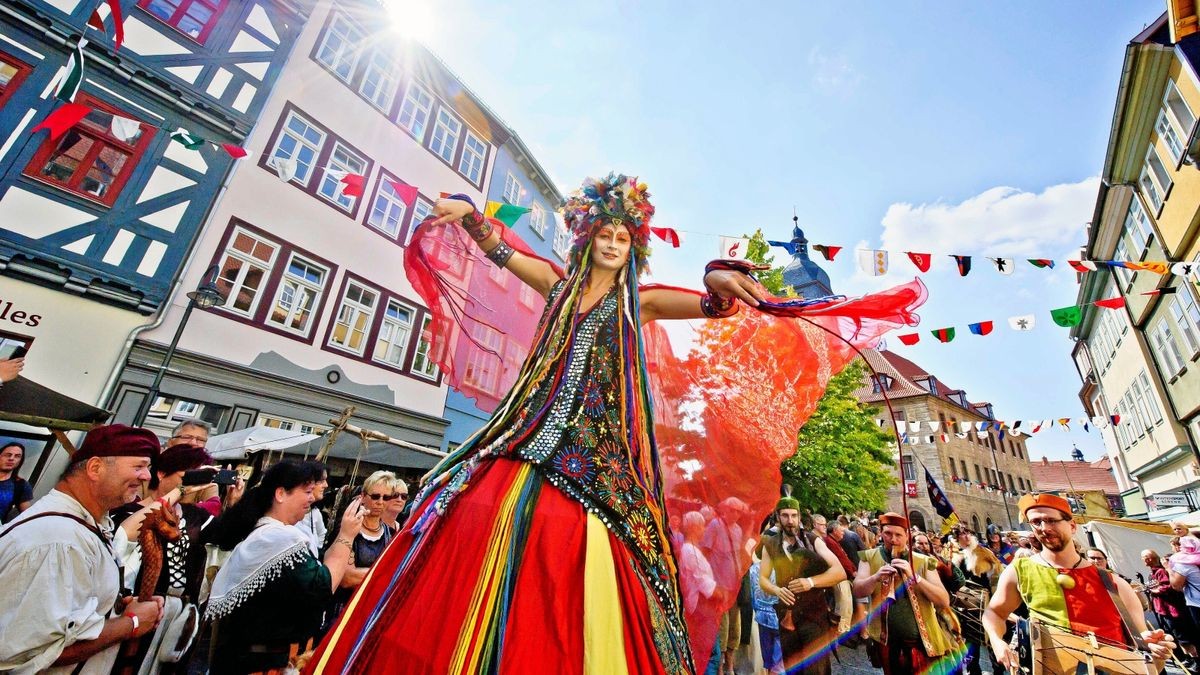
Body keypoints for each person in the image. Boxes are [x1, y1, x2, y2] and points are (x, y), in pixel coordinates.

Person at [307, 175, 924, 674]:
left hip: (599, 457)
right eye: (603, 234)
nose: (612, 244)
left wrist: (714, 275)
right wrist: (469, 213)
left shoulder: (641, 300)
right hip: (524, 435)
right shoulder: (555, 284)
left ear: (635, 247)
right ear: (586, 238)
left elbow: (712, 305)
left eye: (624, 238)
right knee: (460, 520)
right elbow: (500, 250)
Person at [0, 424, 165, 673]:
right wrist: (132, 623)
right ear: (95, 468)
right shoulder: (60, 540)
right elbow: (43, 649)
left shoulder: (84, 524)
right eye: (139, 466)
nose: (146, 477)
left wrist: (113, 607)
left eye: (148, 468)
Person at [983, 494, 1175, 673]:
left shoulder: (1113, 582)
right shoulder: (1020, 570)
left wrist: (1157, 650)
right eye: (1036, 522)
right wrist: (997, 640)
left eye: (1051, 520)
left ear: (1073, 526)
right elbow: (994, 613)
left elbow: (1144, 649)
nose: (1044, 527)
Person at [204, 461, 362, 673]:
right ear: (280, 494)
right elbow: (323, 586)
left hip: (254, 659)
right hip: (259, 664)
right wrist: (346, 536)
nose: (312, 498)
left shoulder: (271, 534)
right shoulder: (277, 538)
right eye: (306, 491)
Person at [110, 442, 215, 674]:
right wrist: (179, 492)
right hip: (134, 608)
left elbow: (228, 535)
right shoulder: (127, 511)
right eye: (188, 475)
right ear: (161, 473)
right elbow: (124, 536)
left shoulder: (195, 515)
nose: (194, 485)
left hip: (174, 615)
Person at [853, 512, 954, 675]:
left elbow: (943, 600)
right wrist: (875, 577)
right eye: (887, 533)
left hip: (922, 643)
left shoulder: (923, 561)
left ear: (907, 535)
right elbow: (858, 590)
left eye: (898, 534)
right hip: (886, 643)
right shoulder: (868, 557)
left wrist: (916, 578)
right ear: (880, 533)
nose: (893, 539)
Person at [758, 498, 845, 675]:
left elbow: (839, 572)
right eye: (785, 516)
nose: (790, 521)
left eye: (794, 516)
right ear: (778, 517)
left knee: (816, 670)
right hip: (786, 619)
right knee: (792, 668)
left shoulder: (814, 541)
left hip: (814, 618)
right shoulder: (771, 544)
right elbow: (763, 580)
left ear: (799, 518)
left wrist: (810, 582)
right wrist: (776, 590)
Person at [334, 471, 398, 607]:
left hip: (373, 609)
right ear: (363, 496)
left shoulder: (392, 534)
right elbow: (346, 577)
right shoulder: (348, 528)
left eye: (386, 498)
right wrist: (386, 574)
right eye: (375, 496)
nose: (380, 502)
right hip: (344, 608)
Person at [1144, 549, 1199, 669]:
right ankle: (1188, 659)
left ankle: (1196, 660)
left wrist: (1155, 590)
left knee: (1184, 637)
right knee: (1175, 636)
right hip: (1163, 610)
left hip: (1173, 610)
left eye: (1146, 558)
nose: (1144, 560)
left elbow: (1170, 587)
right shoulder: (1152, 573)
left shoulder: (1161, 571)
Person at [813, 514, 856, 637]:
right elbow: (841, 559)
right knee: (844, 604)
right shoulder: (823, 540)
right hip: (836, 575)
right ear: (814, 524)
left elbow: (843, 557)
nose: (824, 527)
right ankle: (842, 631)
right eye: (821, 524)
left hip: (836, 574)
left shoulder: (826, 539)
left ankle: (841, 629)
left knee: (843, 604)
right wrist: (852, 571)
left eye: (825, 524)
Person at [296, 462, 329, 555]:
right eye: (321, 481)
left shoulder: (315, 513)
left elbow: (322, 533)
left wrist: (316, 552)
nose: (326, 485)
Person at [0, 441, 32, 522]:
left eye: (17, 456)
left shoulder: (21, 485)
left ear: (20, 461)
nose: (11, 458)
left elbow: (28, 516)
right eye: (8, 455)